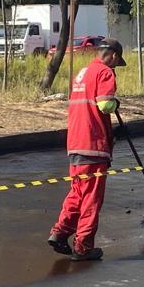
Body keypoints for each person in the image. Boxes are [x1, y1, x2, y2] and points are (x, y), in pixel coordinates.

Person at [48, 38, 127, 261]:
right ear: (113, 56)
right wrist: (116, 104)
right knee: (91, 197)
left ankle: (60, 232)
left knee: (77, 192)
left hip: (75, 143)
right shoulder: (104, 73)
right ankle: (83, 247)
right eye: (116, 61)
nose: (114, 66)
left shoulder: (83, 73)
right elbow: (105, 104)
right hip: (94, 144)